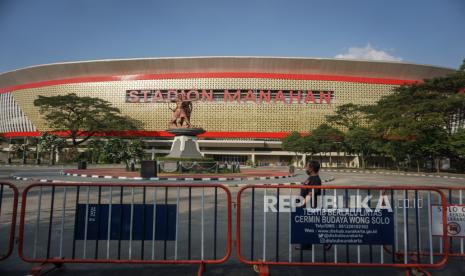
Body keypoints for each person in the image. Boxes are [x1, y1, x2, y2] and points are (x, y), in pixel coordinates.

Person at [295, 160, 322, 251]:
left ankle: (324, 241)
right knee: (309, 225)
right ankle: (307, 245)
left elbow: (310, 194)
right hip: (306, 204)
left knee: (308, 226)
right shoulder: (310, 178)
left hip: (310, 205)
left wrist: (302, 203)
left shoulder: (315, 179)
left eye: (307, 166)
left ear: (312, 168)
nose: (305, 168)